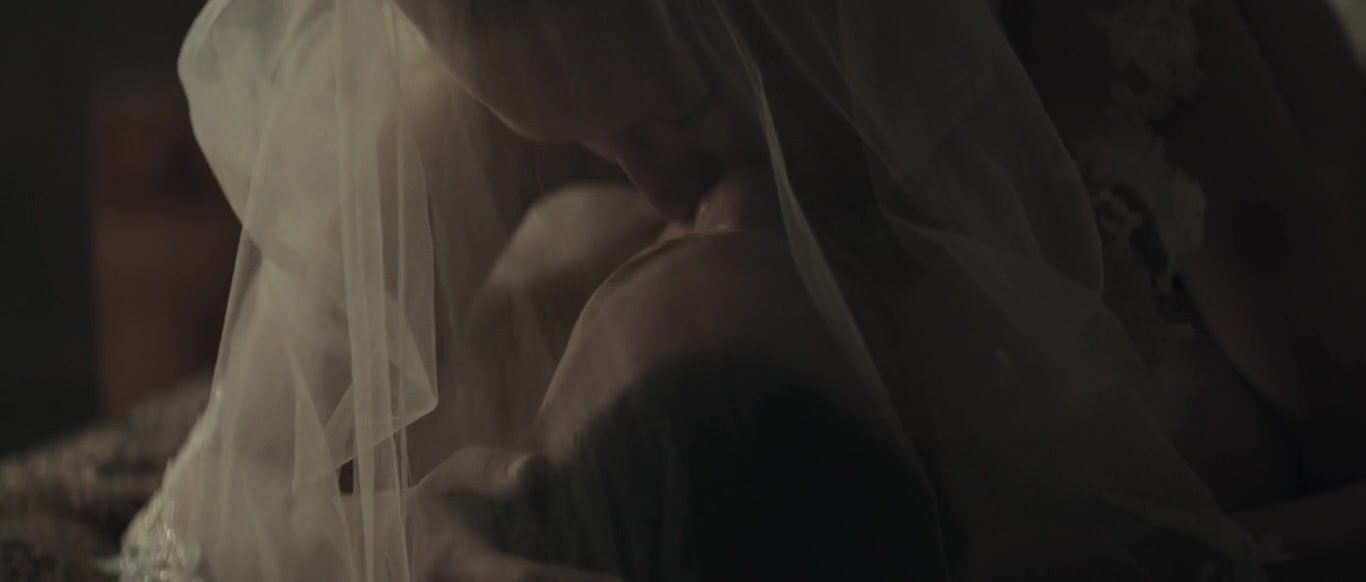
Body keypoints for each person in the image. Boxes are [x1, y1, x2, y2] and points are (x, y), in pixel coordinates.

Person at [113, 0, 1362, 580]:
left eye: (678, 111)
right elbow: (200, 512)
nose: (659, 191)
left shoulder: (1132, 50)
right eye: (579, 142)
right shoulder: (512, 66)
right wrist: (443, 557)